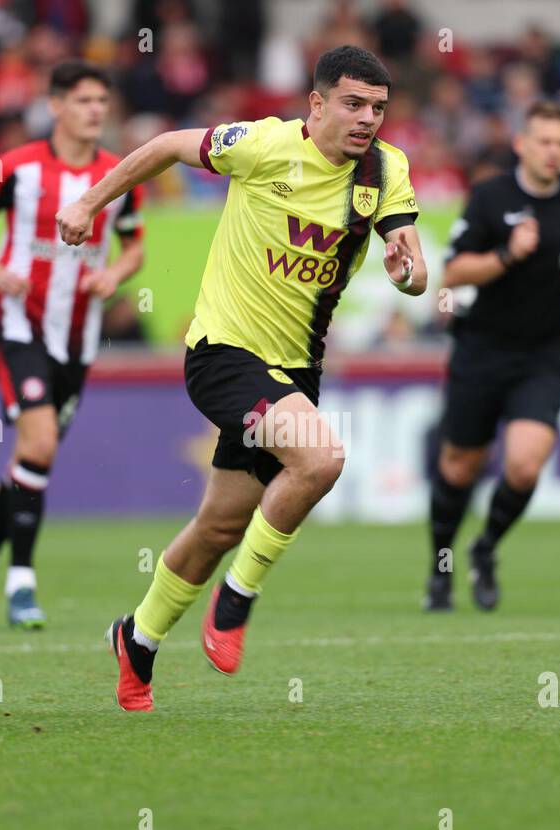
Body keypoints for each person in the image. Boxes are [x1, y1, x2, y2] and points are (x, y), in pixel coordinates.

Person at [55, 45, 427, 711]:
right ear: (316, 104)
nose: (367, 118)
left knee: (220, 527)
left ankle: (135, 638)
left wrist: (410, 271)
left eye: (377, 107)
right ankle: (236, 599)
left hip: (293, 373)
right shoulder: (262, 146)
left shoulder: (384, 171)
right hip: (224, 353)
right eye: (352, 103)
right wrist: (89, 203)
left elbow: (413, 265)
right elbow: (168, 144)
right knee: (320, 459)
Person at [0, 60, 146, 631]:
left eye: (102, 102)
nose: (95, 112)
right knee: (37, 443)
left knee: (31, 461)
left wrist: (116, 275)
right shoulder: (16, 168)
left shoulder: (119, 175)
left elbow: (135, 247)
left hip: (79, 338)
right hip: (20, 326)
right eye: (84, 100)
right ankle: (22, 584)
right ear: (56, 105)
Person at [425, 100, 560, 612]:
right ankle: (440, 567)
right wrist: (507, 254)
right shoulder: (489, 197)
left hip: (543, 353)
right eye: (544, 142)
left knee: (525, 466)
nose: (554, 152)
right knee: (459, 468)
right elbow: (454, 271)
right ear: (521, 144)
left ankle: (485, 549)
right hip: (480, 348)